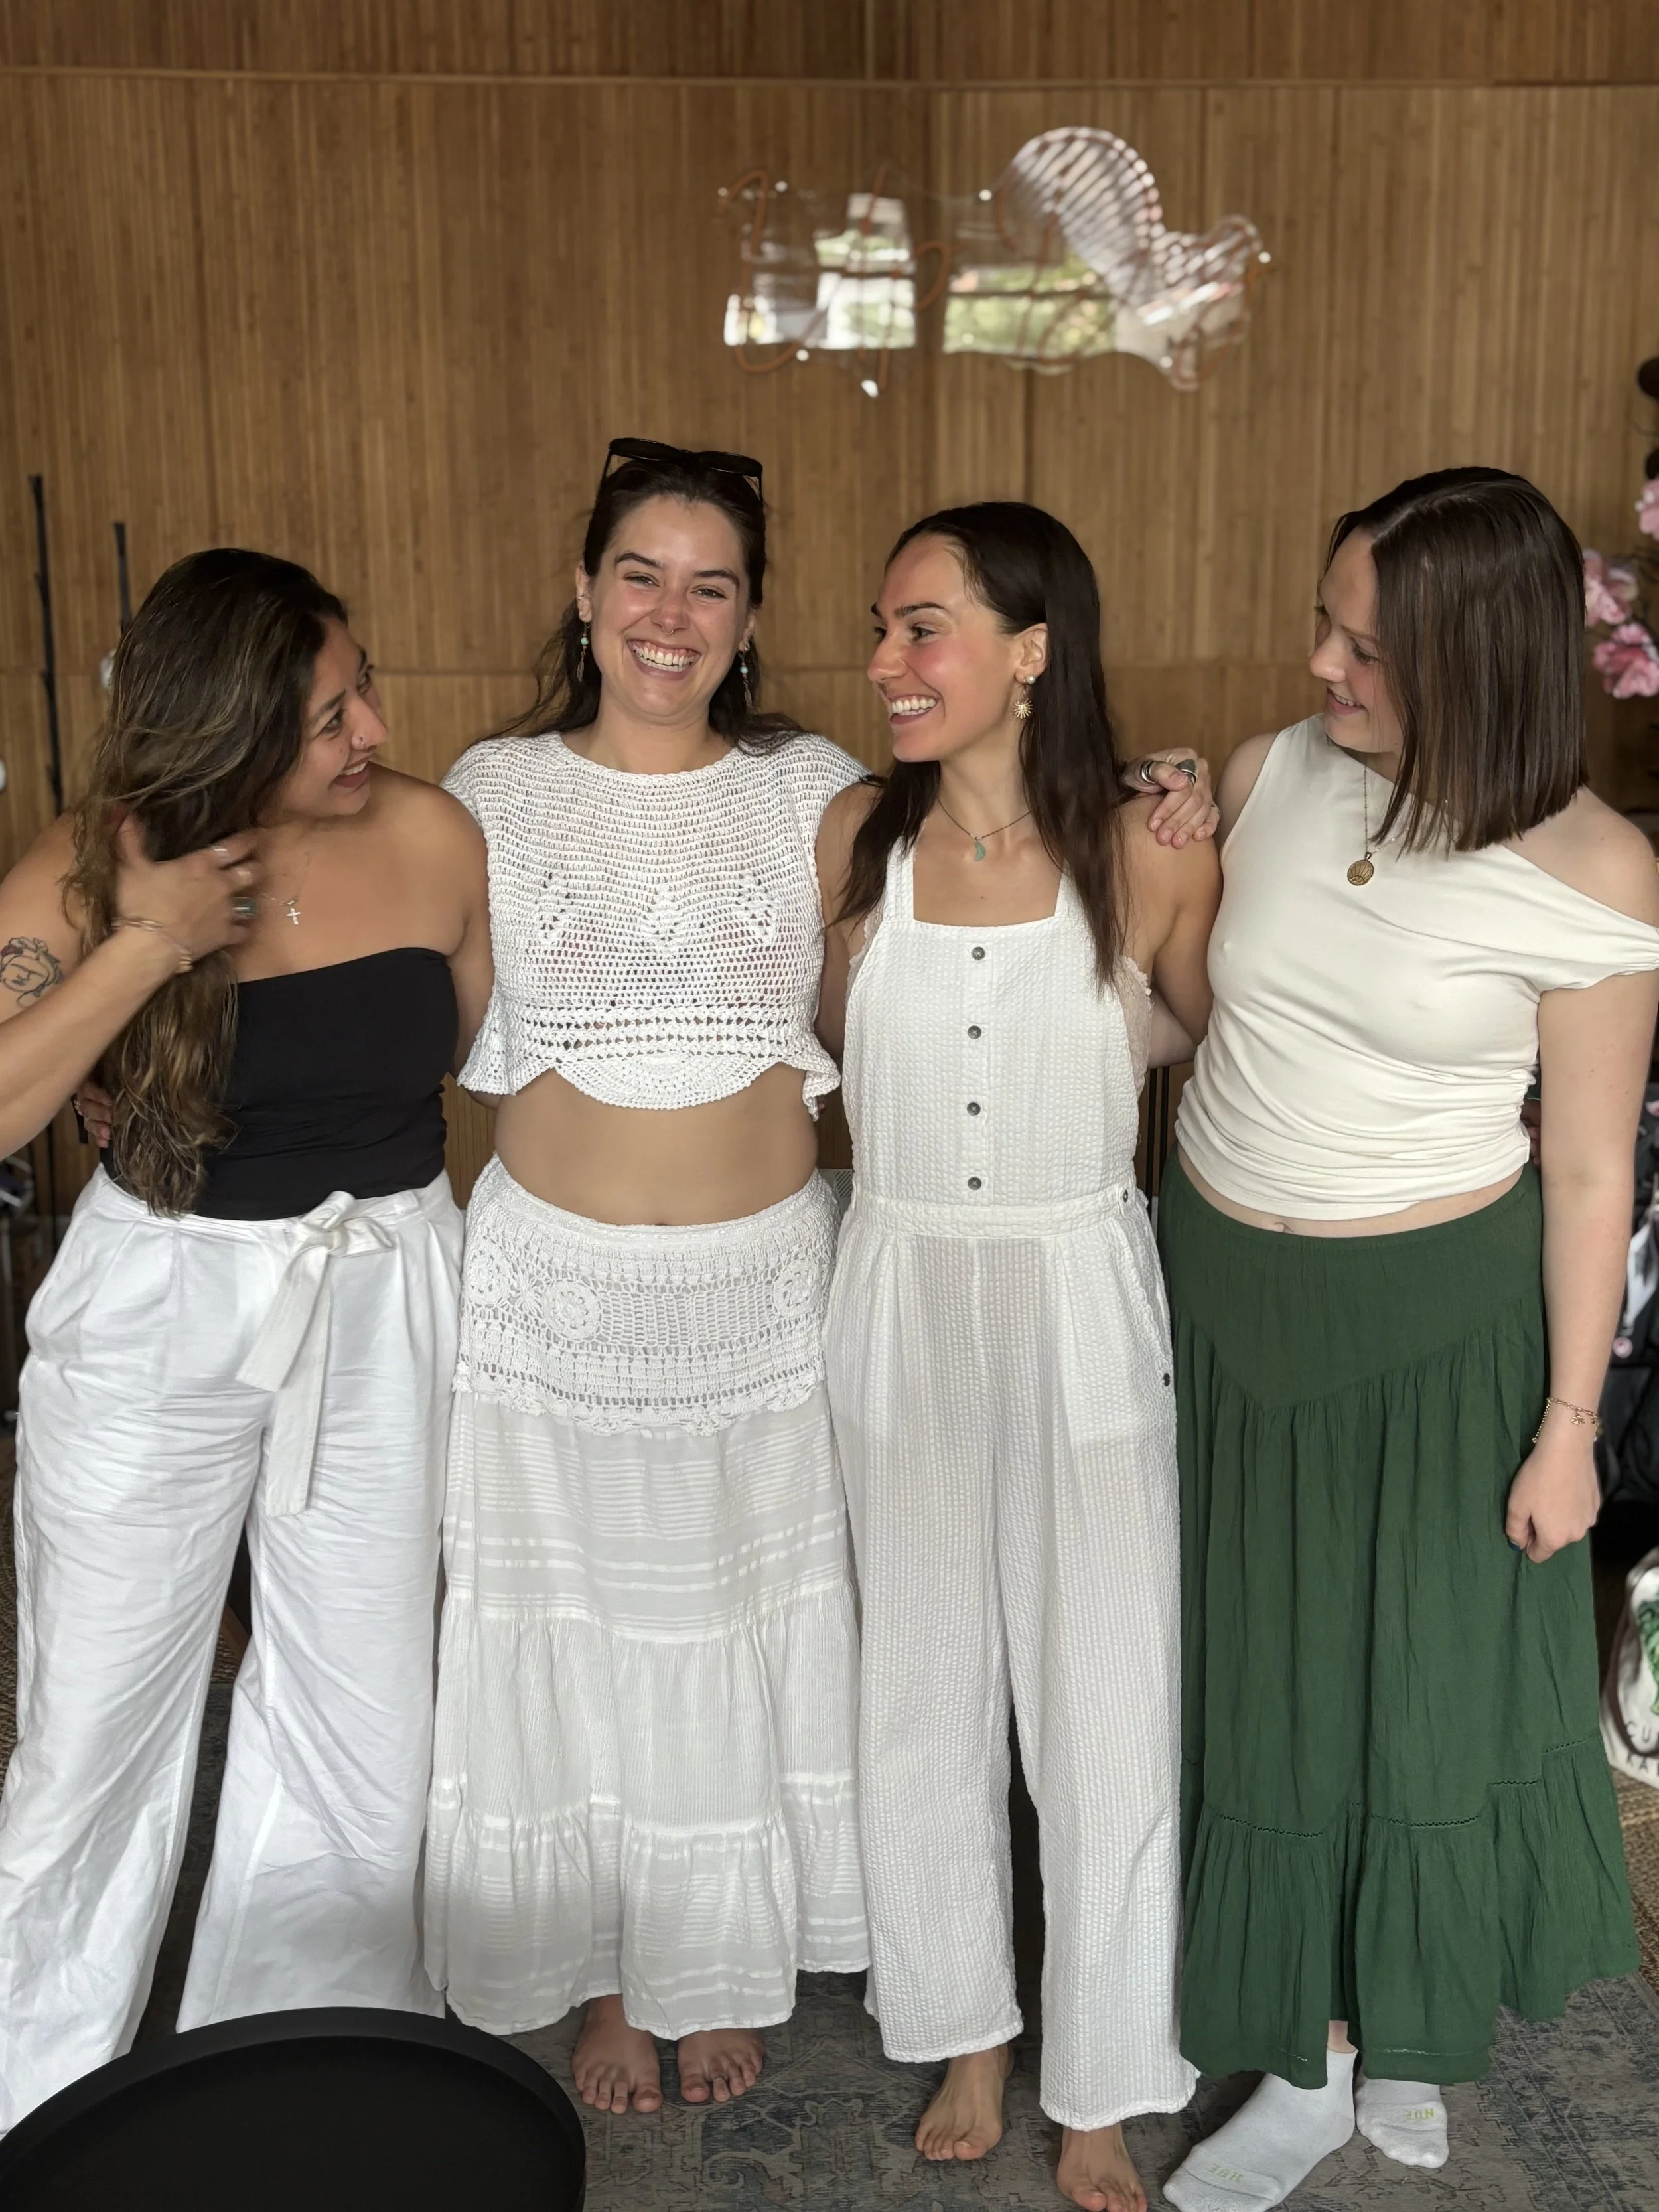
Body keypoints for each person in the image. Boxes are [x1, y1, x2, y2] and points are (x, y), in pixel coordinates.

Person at [421, 438, 1218, 2118]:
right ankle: (635, 1985)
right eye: (638, 573)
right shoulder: (496, 792)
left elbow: (1122, 970)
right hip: (579, 1286)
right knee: (622, 1641)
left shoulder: (826, 800)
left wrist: (1167, 796)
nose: (669, 612)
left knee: (784, 1638)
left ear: (746, 616)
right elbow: (397, 978)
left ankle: (770, 1971)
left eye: (710, 583)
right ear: (581, 591)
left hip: (789, 1282)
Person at [1158, 469, 1659, 2212]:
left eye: (1362, 646)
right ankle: (1301, 2049)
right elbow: (1219, 1016)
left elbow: (1590, 1167)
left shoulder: (1595, 873)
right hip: (1227, 1301)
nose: (1317, 667)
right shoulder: (1272, 774)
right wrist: (1162, 863)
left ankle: (1403, 2031)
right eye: (1322, 622)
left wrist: (1569, 1421)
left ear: (1478, 658)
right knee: (1269, 1689)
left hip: (1435, 1327)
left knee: (1420, 1700)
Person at [0, 548, 491, 2131]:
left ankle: (304, 2086)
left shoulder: (431, 833)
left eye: (361, 687)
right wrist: (147, 943)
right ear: (223, 733)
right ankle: (32, 2093)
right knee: (94, 1728)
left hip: (384, 1286)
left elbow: (458, 1043)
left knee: (362, 1713)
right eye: (326, 713)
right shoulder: (90, 864)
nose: (371, 727)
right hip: (162, 1302)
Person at [816, 502, 1219, 2212]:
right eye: (887, 630)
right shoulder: (850, 840)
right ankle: (965, 2026)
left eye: (926, 628)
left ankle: (1104, 2078)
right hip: (898, 1286)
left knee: (1105, 1704)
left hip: (1077, 1289)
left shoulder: (1151, 846)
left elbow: (1209, 1034)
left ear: (1032, 648)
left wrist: (1197, 804)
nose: (889, 663)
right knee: (915, 1691)